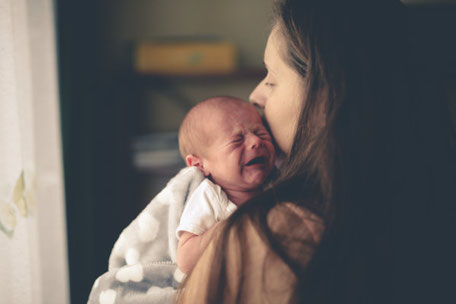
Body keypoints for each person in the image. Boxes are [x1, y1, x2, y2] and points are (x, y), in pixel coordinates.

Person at [175, 0, 456, 303]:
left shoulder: (277, 238)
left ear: (327, 98)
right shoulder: (429, 204)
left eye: (271, 79)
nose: (254, 96)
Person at [176, 96, 276, 273]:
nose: (256, 142)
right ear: (200, 164)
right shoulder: (210, 198)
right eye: (237, 140)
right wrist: (228, 228)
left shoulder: (277, 184)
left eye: (261, 133)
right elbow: (186, 260)